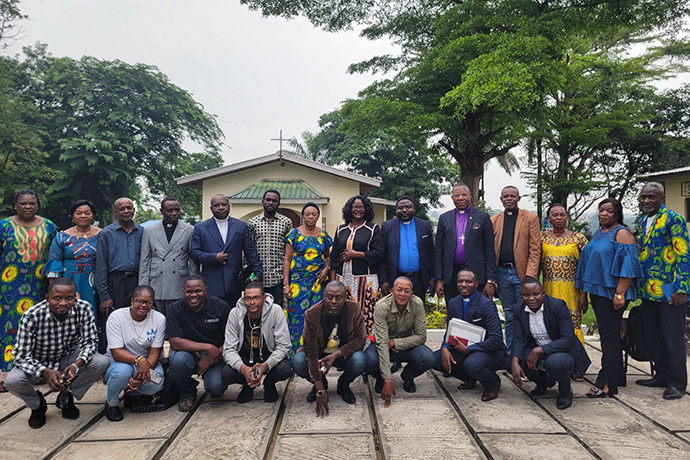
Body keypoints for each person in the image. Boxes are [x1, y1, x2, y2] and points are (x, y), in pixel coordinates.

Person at [5, 279, 109, 428]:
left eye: (69, 298)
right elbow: (21, 355)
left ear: (76, 296)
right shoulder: (32, 316)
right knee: (12, 381)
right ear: (47, 298)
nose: (63, 303)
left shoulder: (84, 308)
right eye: (57, 298)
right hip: (38, 362)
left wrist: (75, 365)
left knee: (101, 362)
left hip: (67, 357)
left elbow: (90, 342)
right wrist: (45, 372)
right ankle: (37, 405)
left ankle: (66, 396)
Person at [576, 198, 642, 397]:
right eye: (601, 210)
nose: (604, 214)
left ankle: (606, 384)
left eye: (609, 211)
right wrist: (584, 293)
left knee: (609, 337)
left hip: (613, 293)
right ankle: (618, 376)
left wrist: (620, 294)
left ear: (617, 214)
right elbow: (590, 265)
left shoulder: (622, 234)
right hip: (597, 291)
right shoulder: (599, 233)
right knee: (610, 335)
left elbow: (629, 268)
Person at [635, 182, 690, 400]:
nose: (647, 201)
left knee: (672, 336)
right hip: (649, 289)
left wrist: (681, 288)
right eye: (644, 197)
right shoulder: (643, 221)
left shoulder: (673, 219)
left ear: (662, 197)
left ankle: (677, 382)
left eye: (652, 197)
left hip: (669, 288)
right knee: (653, 334)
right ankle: (661, 374)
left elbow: (683, 255)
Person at [0, 190, 58, 385]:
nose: (27, 207)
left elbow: (54, 257)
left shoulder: (49, 226)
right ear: (15, 205)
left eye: (32, 203)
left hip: (40, 287)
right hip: (7, 288)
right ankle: (6, 372)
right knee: (8, 326)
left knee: (38, 326)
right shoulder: (4, 226)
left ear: (37, 205)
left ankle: (38, 370)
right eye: (23, 203)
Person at [510, 278, 591, 410]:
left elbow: (568, 339)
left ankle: (565, 392)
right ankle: (543, 384)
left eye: (535, 294)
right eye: (526, 295)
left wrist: (539, 350)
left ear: (543, 293)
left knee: (554, 363)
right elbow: (518, 338)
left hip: (563, 351)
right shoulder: (519, 309)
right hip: (538, 348)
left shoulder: (557, 306)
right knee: (513, 360)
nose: (531, 298)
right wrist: (514, 361)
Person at [292, 281, 367, 416]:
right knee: (298, 361)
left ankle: (343, 385)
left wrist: (338, 354)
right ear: (324, 296)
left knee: (360, 359)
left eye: (338, 298)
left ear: (345, 297)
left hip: (343, 355)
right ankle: (320, 383)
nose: (333, 301)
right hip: (319, 356)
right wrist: (320, 388)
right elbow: (311, 351)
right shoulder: (312, 314)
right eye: (329, 297)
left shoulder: (354, 309)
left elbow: (360, 340)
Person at [433, 268, 506, 401]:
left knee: (472, 364)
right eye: (460, 281)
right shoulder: (454, 302)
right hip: (462, 348)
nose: (464, 285)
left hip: (488, 351)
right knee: (435, 359)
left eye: (469, 281)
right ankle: (469, 378)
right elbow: (449, 330)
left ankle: (492, 382)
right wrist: (445, 347)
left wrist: (469, 349)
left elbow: (496, 339)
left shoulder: (487, 305)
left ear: (476, 284)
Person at [364, 277, 434, 407]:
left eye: (407, 291)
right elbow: (382, 343)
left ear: (411, 294)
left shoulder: (417, 304)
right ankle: (380, 378)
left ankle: (408, 376)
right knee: (368, 360)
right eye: (399, 290)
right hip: (381, 345)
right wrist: (388, 380)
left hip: (405, 345)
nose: (402, 294)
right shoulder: (382, 306)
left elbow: (421, 337)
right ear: (392, 291)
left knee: (428, 357)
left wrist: (395, 343)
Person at [167, 276, 231, 411]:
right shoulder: (175, 309)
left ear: (206, 290)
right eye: (189, 292)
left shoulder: (220, 307)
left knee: (215, 387)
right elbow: (174, 342)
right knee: (178, 360)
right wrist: (207, 347)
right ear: (183, 292)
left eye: (198, 291)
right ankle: (187, 392)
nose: (193, 295)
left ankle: (214, 384)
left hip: (217, 355)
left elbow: (232, 338)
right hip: (189, 353)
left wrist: (212, 357)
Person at [221, 281, 292, 403]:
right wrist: (243, 368)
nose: (252, 302)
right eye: (248, 299)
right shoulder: (235, 313)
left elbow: (284, 346)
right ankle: (248, 385)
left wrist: (265, 365)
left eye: (256, 298)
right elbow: (228, 349)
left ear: (264, 298)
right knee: (226, 373)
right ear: (243, 299)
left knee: (285, 369)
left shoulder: (275, 311)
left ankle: (269, 384)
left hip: (268, 356)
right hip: (245, 358)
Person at [103, 285, 166, 422]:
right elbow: (117, 353)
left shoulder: (159, 319)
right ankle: (111, 404)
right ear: (132, 301)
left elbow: (155, 352)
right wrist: (139, 361)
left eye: (148, 302)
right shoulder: (117, 317)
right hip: (120, 362)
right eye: (139, 301)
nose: (143, 305)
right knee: (122, 372)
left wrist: (141, 376)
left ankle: (131, 392)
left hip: (145, 362)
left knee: (156, 383)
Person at [190, 194, 263, 309]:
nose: (220, 207)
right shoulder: (200, 228)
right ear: (211, 208)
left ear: (229, 206)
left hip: (233, 281)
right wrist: (214, 258)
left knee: (233, 317)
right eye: (216, 205)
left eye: (223, 204)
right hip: (211, 282)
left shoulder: (241, 226)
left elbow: (251, 251)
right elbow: (194, 252)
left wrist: (258, 272)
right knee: (213, 318)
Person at [491, 186, 541, 352]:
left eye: (513, 196)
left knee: (526, 313)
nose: (509, 199)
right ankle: (511, 352)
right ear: (501, 199)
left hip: (522, 275)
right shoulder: (494, 220)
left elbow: (535, 249)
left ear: (519, 198)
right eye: (506, 196)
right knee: (509, 314)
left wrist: (531, 277)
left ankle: (527, 351)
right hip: (502, 273)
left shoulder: (530, 218)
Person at [330, 195, 384, 333]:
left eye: (361, 207)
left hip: (366, 280)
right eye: (355, 207)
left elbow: (379, 253)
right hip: (343, 279)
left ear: (366, 209)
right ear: (349, 209)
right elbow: (334, 256)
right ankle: (346, 343)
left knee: (365, 314)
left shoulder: (372, 229)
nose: (358, 209)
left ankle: (366, 347)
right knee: (345, 313)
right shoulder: (341, 229)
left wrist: (357, 254)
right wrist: (332, 281)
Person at [435, 182, 497, 303]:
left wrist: (490, 281)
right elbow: (439, 250)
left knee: (476, 313)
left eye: (464, 194)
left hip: (476, 275)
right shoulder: (444, 218)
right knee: (453, 312)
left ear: (470, 196)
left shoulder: (482, 217)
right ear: (452, 198)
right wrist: (438, 279)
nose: (461, 198)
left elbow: (489, 250)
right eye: (457, 195)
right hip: (451, 275)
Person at [283, 202, 332, 353]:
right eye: (307, 214)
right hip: (297, 283)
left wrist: (326, 269)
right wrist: (286, 284)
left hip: (317, 282)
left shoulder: (323, 235)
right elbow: (287, 259)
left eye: (314, 214)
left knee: (317, 315)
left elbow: (328, 258)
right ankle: (295, 353)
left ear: (318, 216)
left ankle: (315, 351)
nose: (310, 217)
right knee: (296, 315)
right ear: (303, 216)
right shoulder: (294, 234)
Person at [139, 197, 198, 316]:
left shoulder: (189, 229)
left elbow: (192, 261)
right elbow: (144, 261)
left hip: (178, 283)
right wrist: (143, 288)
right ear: (162, 211)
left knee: (178, 319)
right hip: (156, 283)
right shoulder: (149, 231)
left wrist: (194, 285)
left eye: (177, 210)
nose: (174, 214)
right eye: (170, 210)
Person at [540, 203, 589, 346]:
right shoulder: (542, 237)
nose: (559, 218)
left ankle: (576, 360)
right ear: (549, 218)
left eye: (562, 214)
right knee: (550, 323)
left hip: (572, 291)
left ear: (567, 217)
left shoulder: (578, 238)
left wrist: (584, 294)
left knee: (572, 324)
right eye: (555, 215)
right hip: (549, 290)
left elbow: (587, 267)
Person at [44, 199, 100, 322]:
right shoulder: (62, 236)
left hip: (94, 281)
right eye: (79, 213)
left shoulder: (102, 235)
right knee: (68, 313)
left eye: (87, 213)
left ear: (93, 216)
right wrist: (55, 291)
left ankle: (90, 340)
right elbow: (54, 264)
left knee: (92, 313)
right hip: (69, 280)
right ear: (73, 216)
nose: (83, 216)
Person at [380, 196, 435, 301]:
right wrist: (383, 280)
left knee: (417, 311)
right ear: (397, 210)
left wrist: (432, 278)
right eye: (401, 208)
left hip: (419, 279)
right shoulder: (387, 226)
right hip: (395, 278)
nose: (404, 210)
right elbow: (382, 255)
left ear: (414, 208)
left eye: (408, 207)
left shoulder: (424, 226)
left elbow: (431, 253)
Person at [95, 197, 143, 314]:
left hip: (137, 281)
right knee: (113, 318)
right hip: (115, 283)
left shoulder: (143, 232)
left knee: (136, 318)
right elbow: (101, 265)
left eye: (129, 208)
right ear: (115, 212)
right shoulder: (106, 233)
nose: (126, 211)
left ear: (134, 210)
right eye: (122, 209)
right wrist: (104, 295)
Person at [248, 189, 292, 305]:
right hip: (258, 277)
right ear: (262, 201)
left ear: (278, 203)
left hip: (278, 277)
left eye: (274, 201)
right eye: (268, 200)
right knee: (256, 309)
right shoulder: (252, 222)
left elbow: (289, 251)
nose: (271, 203)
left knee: (276, 311)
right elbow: (248, 249)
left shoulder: (286, 222)